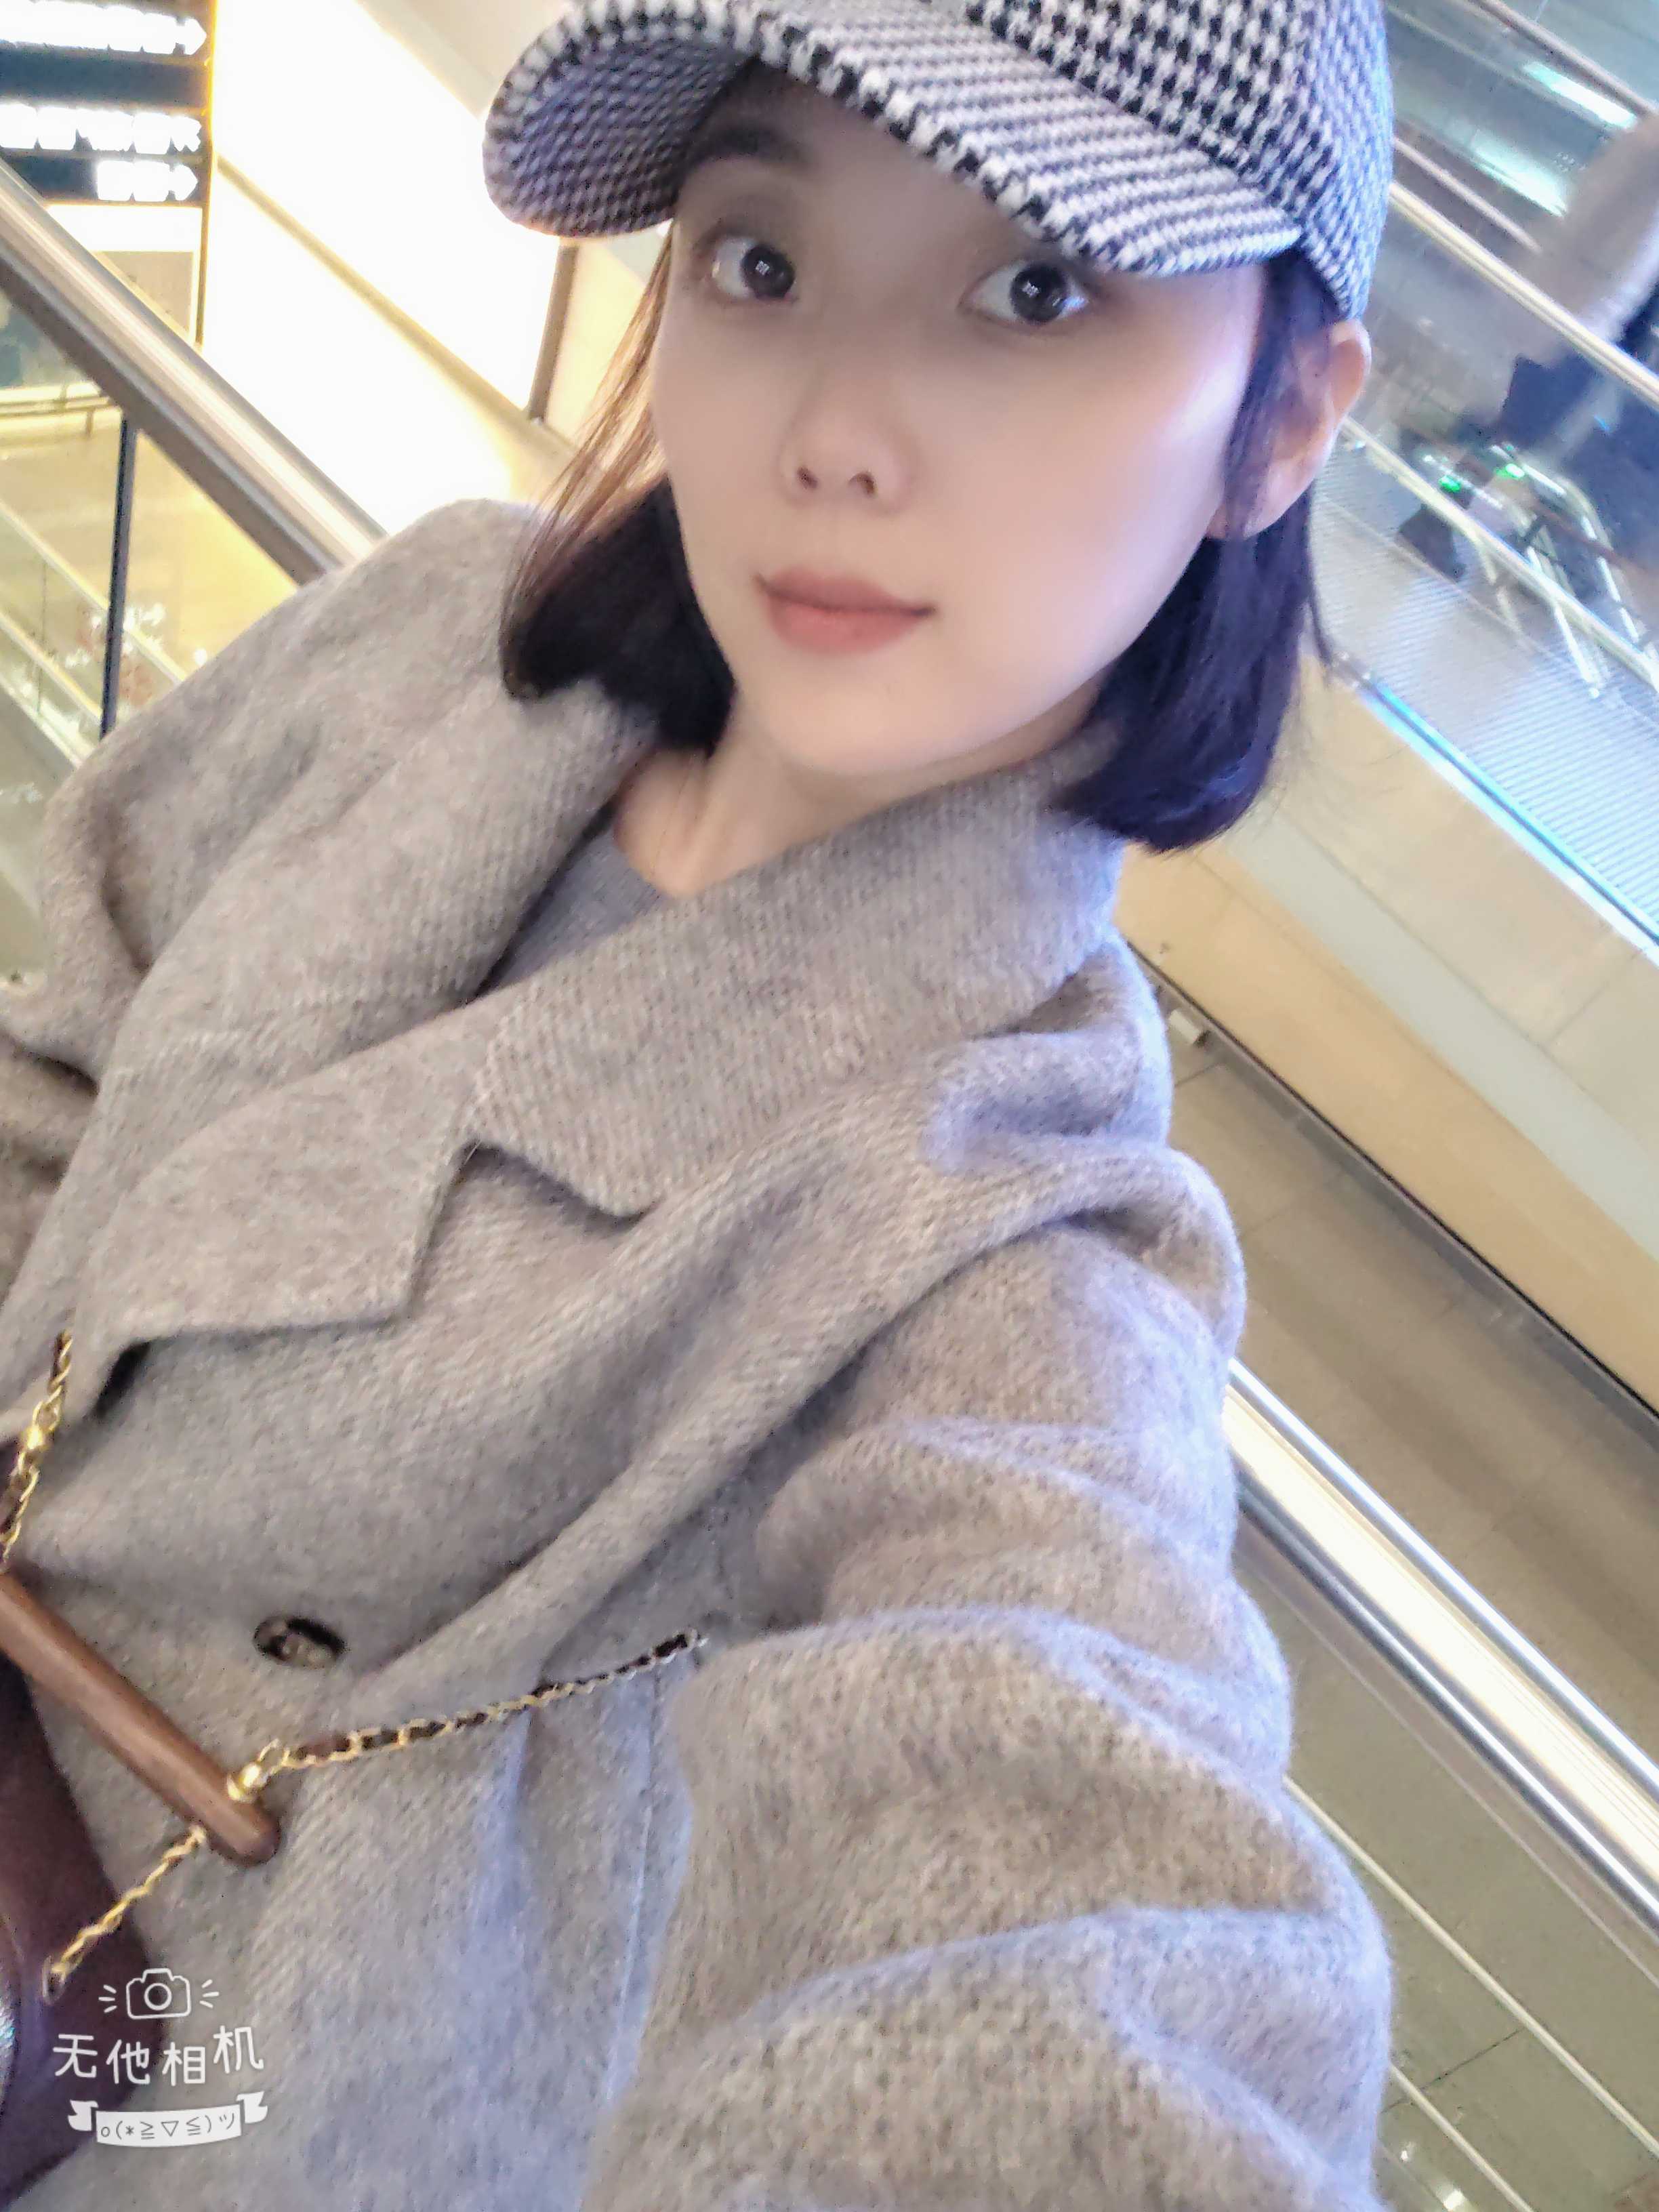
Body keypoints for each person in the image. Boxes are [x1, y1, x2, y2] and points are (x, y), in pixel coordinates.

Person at [2, 1, 1396, 2205]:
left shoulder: (1011, 1237)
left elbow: (1068, 1841)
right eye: (761, 260)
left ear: (1277, 424)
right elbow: (61, 1048)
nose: (830, 432)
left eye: (1037, 290)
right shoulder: (433, 639)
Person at [1398, 104, 1659, 581]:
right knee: (1515, 435)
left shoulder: (1649, 136)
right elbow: (1598, 216)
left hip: (1594, 321)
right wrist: (1569, 293)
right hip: (1578, 318)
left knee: (1516, 431)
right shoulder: (1652, 144)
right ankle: (1434, 508)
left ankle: (1435, 448)